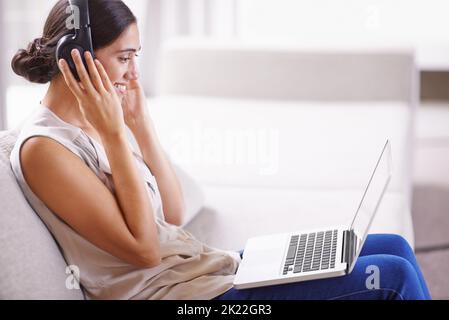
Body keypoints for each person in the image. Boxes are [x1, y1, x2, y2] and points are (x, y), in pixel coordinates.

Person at [9, 0, 431, 300]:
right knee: (389, 277)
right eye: (124, 58)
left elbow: (170, 215)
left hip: (202, 270)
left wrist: (140, 123)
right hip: (182, 296)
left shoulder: (94, 120)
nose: (134, 73)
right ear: (77, 58)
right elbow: (144, 250)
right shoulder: (45, 149)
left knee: (392, 246)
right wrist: (118, 135)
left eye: (136, 57)